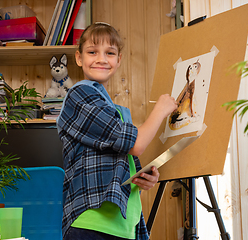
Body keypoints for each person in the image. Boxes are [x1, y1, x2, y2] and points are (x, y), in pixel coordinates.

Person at [57, 22, 177, 240]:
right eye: (92, 52)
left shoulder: (114, 110)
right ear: (78, 58)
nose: (101, 59)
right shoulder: (80, 95)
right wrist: (160, 110)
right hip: (91, 222)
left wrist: (142, 177)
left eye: (110, 53)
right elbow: (136, 143)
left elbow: (126, 156)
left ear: (118, 59)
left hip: (124, 225)